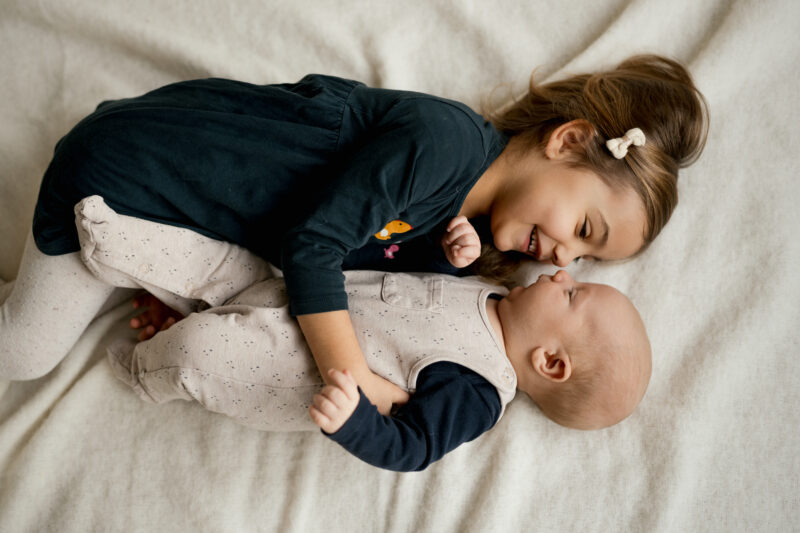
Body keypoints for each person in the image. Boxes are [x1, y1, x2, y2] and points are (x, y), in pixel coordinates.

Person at [0, 55, 706, 416]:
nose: (562, 258)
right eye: (583, 229)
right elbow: (312, 249)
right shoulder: (444, 145)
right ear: (568, 140)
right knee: (24, 353)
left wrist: (185, 301)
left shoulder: (455, 235)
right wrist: (354, 377)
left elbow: (329, 272)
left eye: (585, 256)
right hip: (126, 173)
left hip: (178, 221)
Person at [106, 268, 652, 472]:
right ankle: (163, 294)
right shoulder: (491, 290)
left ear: (550, 362)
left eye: (573, 293)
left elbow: (414, 447)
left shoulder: (480, 392)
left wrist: (354, 422)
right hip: (298, 292)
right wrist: (452, 248)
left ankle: (142, 370)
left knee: (198, 352)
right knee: (204, 265)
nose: (560, 274)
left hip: (289, 367)